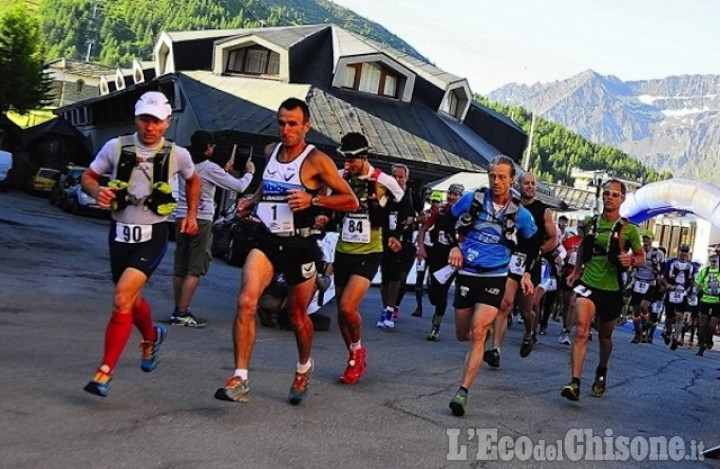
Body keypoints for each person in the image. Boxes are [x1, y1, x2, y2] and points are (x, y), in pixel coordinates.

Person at [213, 98, 358, 405]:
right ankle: (240, 378)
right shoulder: (271, 152)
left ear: (307, 126)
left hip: (299, 244)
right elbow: (269, 186)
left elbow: (350, 201)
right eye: (281, 122)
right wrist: (252, 199)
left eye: (293, 123)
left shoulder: (318, 160)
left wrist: (313, 201)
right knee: (246, 301)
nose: (286, 129)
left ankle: (304, 367)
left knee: (295, 315)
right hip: (267, 240)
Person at [81, 91, 200, 396]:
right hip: (119, 233)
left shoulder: (178, 154)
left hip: (153, 234)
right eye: (145, 119)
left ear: (167, 123)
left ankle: (104, 372)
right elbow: (89, 177)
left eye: (157, 121)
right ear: (136, 118)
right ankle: (151, 337)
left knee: (121, 298)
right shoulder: (116, 146)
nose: (150, 127)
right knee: (130, 301)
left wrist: (191, 215)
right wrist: (97, 193)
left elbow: (193, 179)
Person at [447, 155, 539, 416]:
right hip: (467, 271)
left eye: (502, 177)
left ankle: (462, 391)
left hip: (495, 275)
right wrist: (455, 245)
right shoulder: (473, 200)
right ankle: (481, 335)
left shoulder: (520, 213)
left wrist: (526, 273)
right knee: (463, 333)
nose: (496, 181)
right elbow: (446, 220)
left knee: (477, 332)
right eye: (492, 176)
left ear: (512, 180)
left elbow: (530, 244)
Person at [560, 179, 643, 401]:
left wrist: (630, 259)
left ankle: (602, 369)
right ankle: (575, 382)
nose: (609, 197)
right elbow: (583, 249)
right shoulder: (591, 223)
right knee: (581, 331)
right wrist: (577, 271)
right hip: (588, 283)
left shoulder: (628, 229)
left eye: (615, 194)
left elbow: (641, 258)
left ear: (622, 199)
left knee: (605, 337)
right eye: (606, 193)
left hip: (612, 288)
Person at [332, 132, 404, 383]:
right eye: (344, 160)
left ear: (363, 157)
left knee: (347, 307)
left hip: (370, 251)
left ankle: (358, 348)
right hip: (343, 250)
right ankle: (354, 355)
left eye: (351, 160)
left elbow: (405, 204)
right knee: (342, 314)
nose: (347, 165)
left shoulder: (382, 180)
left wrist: (395, 233)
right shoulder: (341, 177)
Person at [171, 130, 255, 327]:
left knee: (180, 267)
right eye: (212, 146)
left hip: (180, 216)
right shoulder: (209, 167)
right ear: (207, 148)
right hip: (201, 219)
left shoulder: (184, 163)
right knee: (196, 267)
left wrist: (223, 171)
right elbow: (239, 186)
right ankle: (183, 312)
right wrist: (250, 171)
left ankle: (177, 308)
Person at [484, 171, 557, 368]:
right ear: (519, 185)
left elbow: (553, 238)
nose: (530, 187)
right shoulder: (511, 206)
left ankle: (529, 331)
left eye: (533, 184)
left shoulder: (544, 211)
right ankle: (496, 350)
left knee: (527, 309)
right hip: (510, 258)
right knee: (505, 304)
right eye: (527, 184)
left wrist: (540, 250)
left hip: (531, 262)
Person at [415, 183, 464, 341]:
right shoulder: (439, 210)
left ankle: (436, 326)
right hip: (437, 252)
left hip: (454, 258)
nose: (452, 197)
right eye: (450, 193)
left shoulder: (466, 214)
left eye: (456, 194)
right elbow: (423, 229)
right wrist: (421, 247)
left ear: (461, 198)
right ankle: (437, 310)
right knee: (433, 290)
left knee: (442, 290)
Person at [378, 163, 415, 328]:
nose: (398, 179)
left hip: (402, 241)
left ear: (406, 178)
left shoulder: (410, 196)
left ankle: (390, 310)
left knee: (397, 276)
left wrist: (409, 223)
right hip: (384, 239)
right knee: (385, 277)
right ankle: (385, 307)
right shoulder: (384, 196)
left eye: (401, 177)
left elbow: (417, 216)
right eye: (395, 176)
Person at [628, 232, 664, 343]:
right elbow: (630, 263)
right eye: (644, 238)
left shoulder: (658, 253)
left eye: (647, 238)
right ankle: (638, 332)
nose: (645, 240)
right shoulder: (637, 250)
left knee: (644, 306)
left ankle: (644, 329)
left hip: (650, 282)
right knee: (636, 309)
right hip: (638, 280)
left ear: (652, 239)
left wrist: (658, 273)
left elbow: (663, 268)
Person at [411, 192, 442, 318]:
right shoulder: (427, 213)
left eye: (437, 202)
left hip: (435, 250)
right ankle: (419, 307)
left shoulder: (442, 214)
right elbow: (421, 227)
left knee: (433, 280)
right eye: (433, 201)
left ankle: (435, 302)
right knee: (419, 278)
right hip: (424, 248)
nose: (435, 204)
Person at [660, 244, 695, 350]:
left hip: (682, 293)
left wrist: (689, 291)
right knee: (669, 317)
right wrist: (667, 285)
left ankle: (675, 339)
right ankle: (668, 331)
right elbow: (663, 277)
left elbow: (693, 281)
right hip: (671, 291)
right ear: (678, 251)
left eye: (686, 251)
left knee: (680, 316)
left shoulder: (691, 266)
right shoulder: (671, 262)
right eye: (682, 251)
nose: (683, 254)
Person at [695, 252, 720, 356]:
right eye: (711, 259)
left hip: (717, 301)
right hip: (705, 300)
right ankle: (701, 346)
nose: (713, 262)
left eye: (715, 260)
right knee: (703, 324)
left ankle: (709, 339)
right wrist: (696, 293)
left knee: (712, 325)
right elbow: (698, 284)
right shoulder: (704, 271)